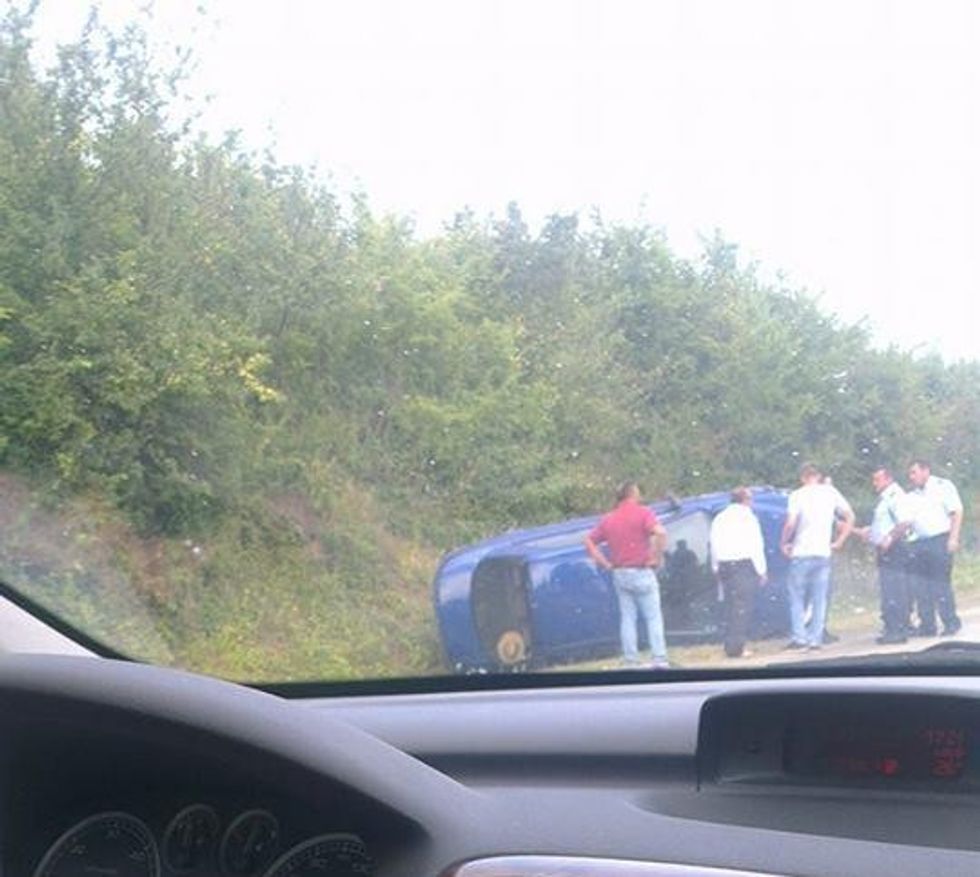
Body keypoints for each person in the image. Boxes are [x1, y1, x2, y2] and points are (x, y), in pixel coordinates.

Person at [584, 482, 669, 668]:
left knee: (628, 618)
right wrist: (656, 557)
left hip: (620, 573)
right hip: (642, 570)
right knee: (653, 616)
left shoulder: (609, 519)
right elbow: (660, 532)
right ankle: (659, 658)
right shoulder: (643, 513)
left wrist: (604, 563)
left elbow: (588, 540)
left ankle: (631, 660)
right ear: (633, 493)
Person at [780, 463, 855, 650]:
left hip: (802, 551)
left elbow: (790, 523)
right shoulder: (830, 493)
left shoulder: (797, 495)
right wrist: (840, 541)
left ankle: (800, 637)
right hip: (823, 552)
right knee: (819, 598)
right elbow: (850, 517)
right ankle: (816, 638)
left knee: (796, 596)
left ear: (803, 478)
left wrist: (783, 542)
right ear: (819, 476)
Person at [906, 459, 964, 637]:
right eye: (910, 474)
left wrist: (953, 538)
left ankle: (950, 622)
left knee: (940, 584)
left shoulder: (942, 486)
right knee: (921, 586)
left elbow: (956, 512)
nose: (911, 477)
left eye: (914, 472)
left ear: (925, 471)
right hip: (919, 543)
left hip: (940, 540)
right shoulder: (911, 495)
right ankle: (927, 625)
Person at [709, 487, 767, 658]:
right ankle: (737, 648)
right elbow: (756, 545)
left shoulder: (720, 517)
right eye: (750, 499)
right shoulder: (748, 517)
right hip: (744, 564)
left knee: (730, 605)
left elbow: (713, 544)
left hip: (725, 565)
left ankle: (729, 644)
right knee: (742, 607)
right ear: (746, 500)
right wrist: (761, 570)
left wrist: (715, 567)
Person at [857, 467, 913, 644]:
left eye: (877, 480)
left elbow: (904, 522)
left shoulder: (896, 496)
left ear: (888, 479)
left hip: (894, 549)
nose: (874, 484)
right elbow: (883, 524)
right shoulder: (884, 499)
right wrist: (870, 533)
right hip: (885, 549)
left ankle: (898, 629)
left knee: (894, 589)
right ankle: (892, 627)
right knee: (889, 589)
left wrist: (889, 539)